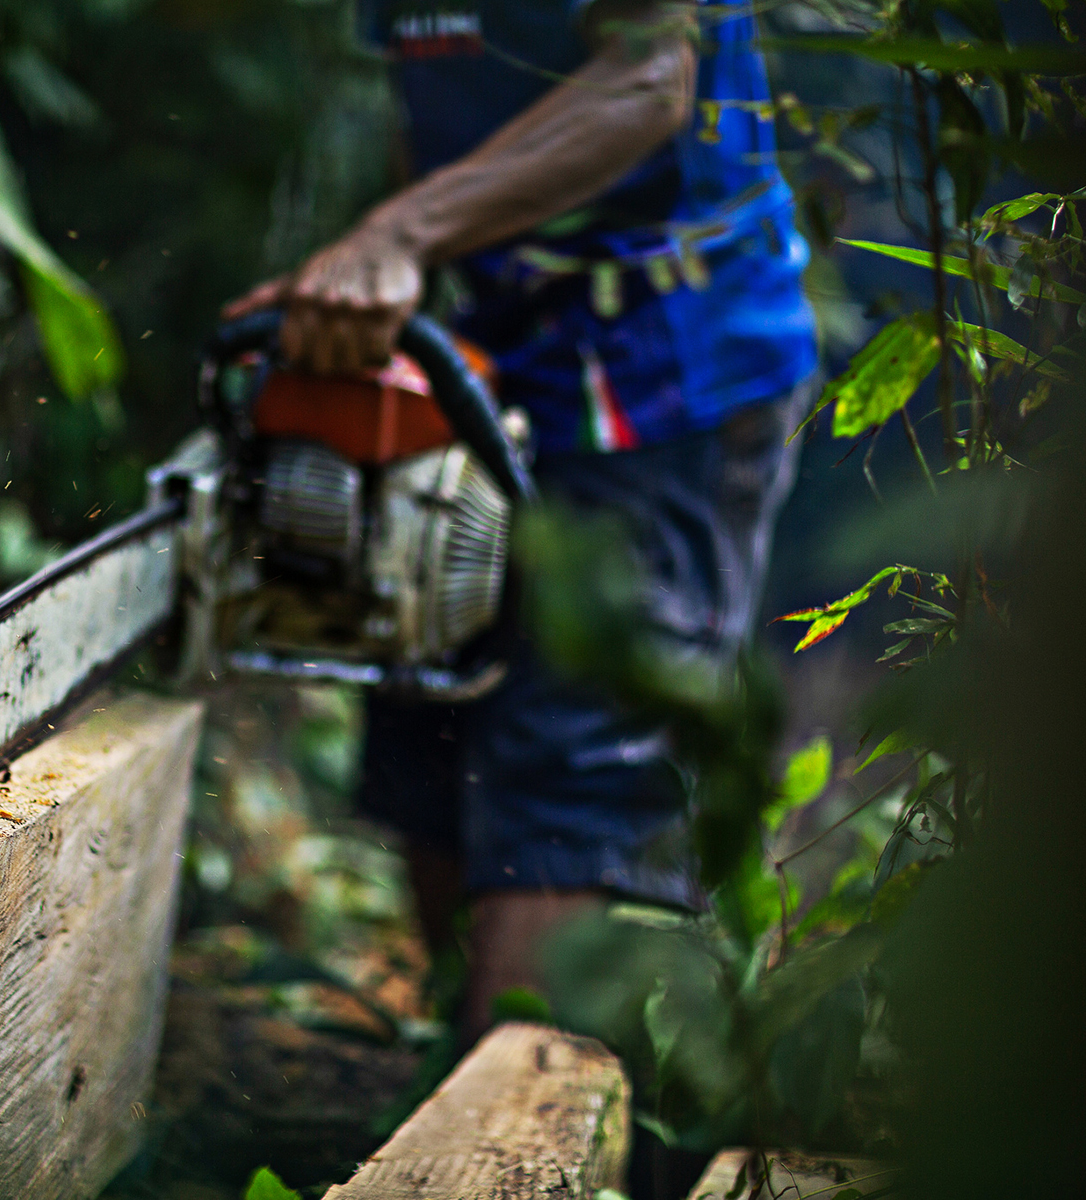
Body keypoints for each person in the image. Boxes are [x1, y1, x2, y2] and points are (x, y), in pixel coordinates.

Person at [225, 0, 818, 1044]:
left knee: (577, 767)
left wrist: (396, 235)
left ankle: (538, 1125)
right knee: (432, 705)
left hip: (665, 364)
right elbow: (440, 112)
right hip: (499, 345)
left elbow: (647, 81)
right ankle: (458, 1075)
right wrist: (370, 281)